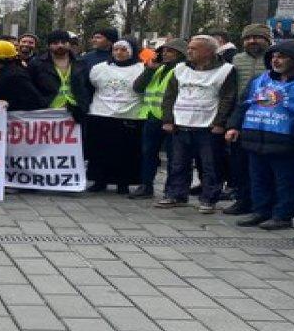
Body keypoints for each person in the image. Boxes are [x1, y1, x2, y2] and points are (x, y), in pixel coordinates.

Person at [225, 39, 294, 230]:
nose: (276, 60)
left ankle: (283, 215)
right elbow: (244, 104)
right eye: (273, 56)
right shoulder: (260, 80)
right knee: (259, 178)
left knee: (286, 182)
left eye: (282, 57)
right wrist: (234, 126)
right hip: (257, 137)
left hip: (288, 141)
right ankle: (261, 211)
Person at [155, 35, 238, 213]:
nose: (189, 51)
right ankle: (176, 195)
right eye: (189, 47)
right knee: (178, 163)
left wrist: (220, 122)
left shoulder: (226, 70)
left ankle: (209, 199)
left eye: (194, 48)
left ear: (209, 51)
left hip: (208, 127)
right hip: (181, 124)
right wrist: (168, 119)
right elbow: (169, 96)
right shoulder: (180, 69)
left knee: (210, 165)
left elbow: (227, 98)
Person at [84, 38, 146, 194]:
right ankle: (99, 181)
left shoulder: (141, 69)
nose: (119, 53)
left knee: (126, 153)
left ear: (132, 52)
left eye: (124, 50)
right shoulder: (99, 68)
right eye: (116, 49)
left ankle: (123, 183)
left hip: (129, 114)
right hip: (101, 113)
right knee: (100, 151)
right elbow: (91, 86)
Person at [224, 24, 273, 215]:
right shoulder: (236, 60)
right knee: (239, 163)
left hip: (268, 117)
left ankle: (264, 203)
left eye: (257, 37)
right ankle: (243, 199)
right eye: (247, 38)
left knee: (263, 165)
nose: (252, 41)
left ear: (267, 40)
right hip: (241, 116)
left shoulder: (275, 58)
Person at [131, 38, 186, 199]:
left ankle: (172, 189)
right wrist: (149, 70)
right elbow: (138, 88)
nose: (165, 54)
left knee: (174, 157)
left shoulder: (182, 70)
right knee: (148, 153)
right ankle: (146, 185)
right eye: (163, 51)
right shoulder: (158, 69)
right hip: (152, 117)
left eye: (170, 51)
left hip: (174, 119)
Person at [32, 30, 85, 116]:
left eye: (64, 42)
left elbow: (87, 86)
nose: (60, 45)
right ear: (49, 45)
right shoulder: (37, 63)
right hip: (47, 112)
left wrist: (84, 104)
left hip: (76, 112)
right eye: (55, 43)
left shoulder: (80, 62)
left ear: (69, 44)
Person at [0, 40, 49, 111]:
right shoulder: (13, 70)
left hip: (13, 114)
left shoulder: (14, 74)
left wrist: (9, 104)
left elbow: (34, 99)